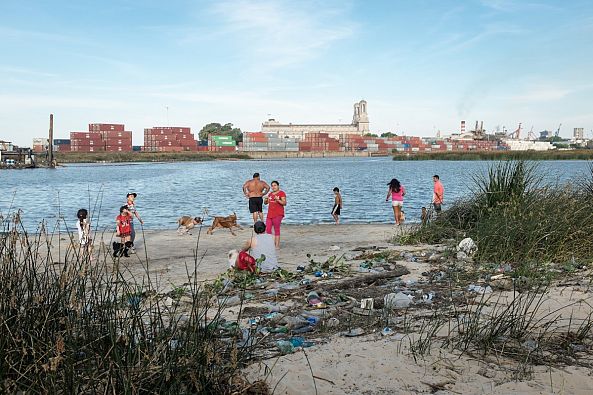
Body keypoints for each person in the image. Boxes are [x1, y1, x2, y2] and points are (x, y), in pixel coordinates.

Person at [264, 180, 286, 248]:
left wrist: (278, 200)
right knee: (268, 229)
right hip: (269, 214)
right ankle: (270, 244)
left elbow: (284, 203)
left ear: (278, 186)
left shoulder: (281, 193)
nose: (273, 187)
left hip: (278, 214)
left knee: (276, 229)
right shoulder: (270, 194)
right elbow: (265, 203)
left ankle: (277, 245)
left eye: (275, 185)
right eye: (272, 186)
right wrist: (265, 200)